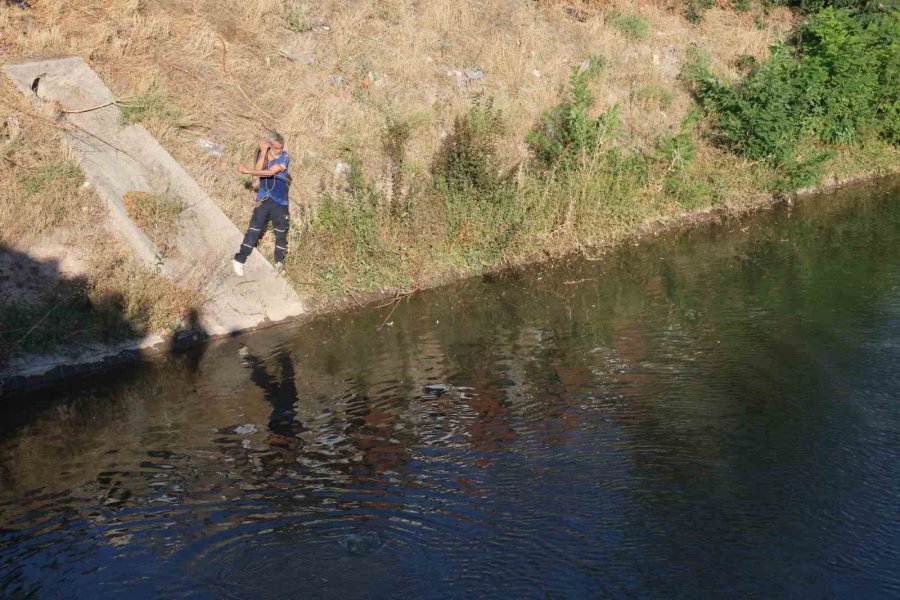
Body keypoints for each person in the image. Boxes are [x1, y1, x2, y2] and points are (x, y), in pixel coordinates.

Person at [232, 132, 290, 277]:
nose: (280, 150)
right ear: (269, 146)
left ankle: (279, 262)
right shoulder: (263, 153)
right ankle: (240, 259)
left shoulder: (285, 157)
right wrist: (263, 152)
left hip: (280, 201)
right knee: (254, 229)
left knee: (281, 233)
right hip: (264, 198)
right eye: (276, 148)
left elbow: (270, 172)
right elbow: (259, 171)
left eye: (281, 147)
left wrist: (247, 171)